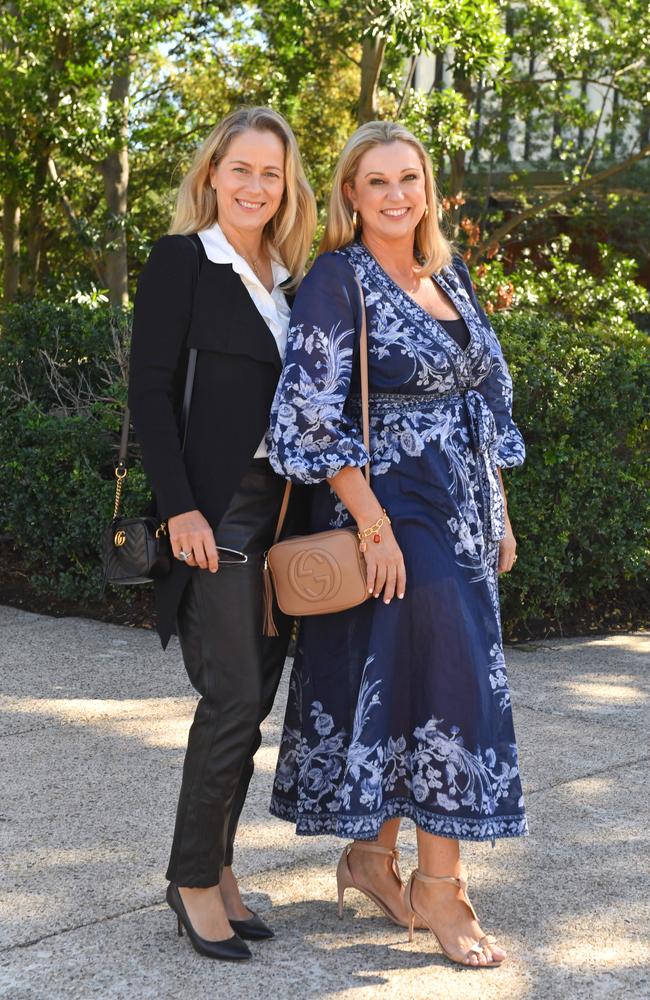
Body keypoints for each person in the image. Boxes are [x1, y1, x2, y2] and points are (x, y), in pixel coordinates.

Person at [267, 120, 527, 968]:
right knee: (446, 677)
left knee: (409, 676)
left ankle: (370, 858)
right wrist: (371, 524)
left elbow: (485, 401)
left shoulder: (445, 273)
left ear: (428, 188)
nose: (394, 195)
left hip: (458, 506)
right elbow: (307, 414)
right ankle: (439, 890)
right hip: (382, 507)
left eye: (408, 178)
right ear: (350, 193)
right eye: (375, 181)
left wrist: (499, 506)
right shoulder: (336, 280)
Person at [128, 106, 316, 960]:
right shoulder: (183, 262)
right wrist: (181, 511)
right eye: (239, 168)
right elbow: (150, 394)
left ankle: (221, 868)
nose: (253, 185)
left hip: (282, 517)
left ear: (286, 188)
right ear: (212, 175)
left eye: (270, 173)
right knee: (234, 698)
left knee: (255, 703)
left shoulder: (285, 276)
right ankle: (192, 881)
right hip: (215, 513)